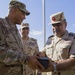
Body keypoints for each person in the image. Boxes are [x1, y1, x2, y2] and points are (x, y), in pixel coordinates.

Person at [0, 0, 44, 75]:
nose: (24, 17)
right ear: (13, 11)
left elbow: (17, 53)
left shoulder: (16, 31)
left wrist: (32, 57)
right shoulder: (1, 24)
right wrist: (27, 59)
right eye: (23, 13)